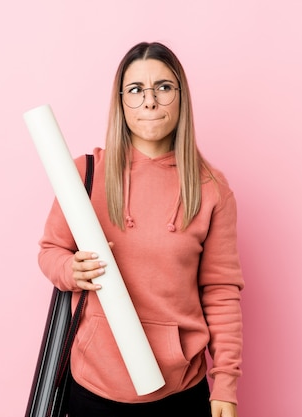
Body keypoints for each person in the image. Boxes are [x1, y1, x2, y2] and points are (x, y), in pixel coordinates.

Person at [38, 41, 244, 417]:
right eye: (135, 90)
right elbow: (51, 251)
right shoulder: (83, 174)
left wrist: (225, 386)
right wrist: (71, 270)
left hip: (179, 392)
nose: (150, 101)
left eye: (163, 87)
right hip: (93, 387)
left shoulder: (212, 188)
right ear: (121, 102)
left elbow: (221, 291)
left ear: (181, 97)